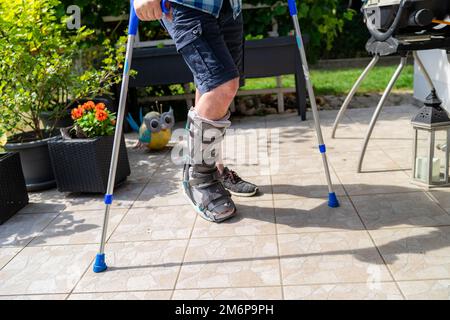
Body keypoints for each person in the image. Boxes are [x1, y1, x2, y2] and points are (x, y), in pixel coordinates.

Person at [134, 0, 258, 223]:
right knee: (223, 85)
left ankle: (215, 169)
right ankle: (200, 178)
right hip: (187, 4)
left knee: (209, 85)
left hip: (229, 6)